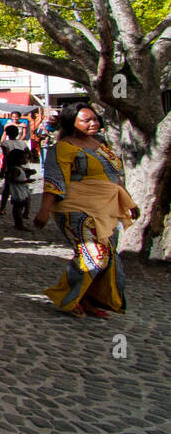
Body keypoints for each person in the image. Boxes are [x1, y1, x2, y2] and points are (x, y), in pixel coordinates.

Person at [32, 103, 139, 317]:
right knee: (93, 253)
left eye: (95, 119)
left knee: (107, 256)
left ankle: (88, 299)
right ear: (72, 123)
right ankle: (67, 297)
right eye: (86, 120)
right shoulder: (64, 147)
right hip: (76, 208)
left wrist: (128, 202)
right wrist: (44, 210)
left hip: (106, 209)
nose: (93, 123)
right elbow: (55, 180)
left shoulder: (101, 146)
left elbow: (114, 177)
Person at [0, 124, 31, 215]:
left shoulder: (5, 143)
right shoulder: (22, 143)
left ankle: (2, 208)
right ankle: (27, 211)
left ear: (7, 133)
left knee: (7, 189)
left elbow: (6, 158)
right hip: (24, 168)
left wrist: (3, 170)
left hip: (12, 168)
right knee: (25, 189)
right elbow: (29, 153)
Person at [4, 147, 34, 230]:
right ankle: (19, 224)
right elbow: (13, 180)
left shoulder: (19, 168)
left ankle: (19, 223)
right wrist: (26, 181)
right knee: (18, 209)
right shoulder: (15, 170)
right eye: (24, 157)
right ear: (19, 159)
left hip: (21, 191)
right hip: (18, 192)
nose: (26, 159)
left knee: (20, 207)